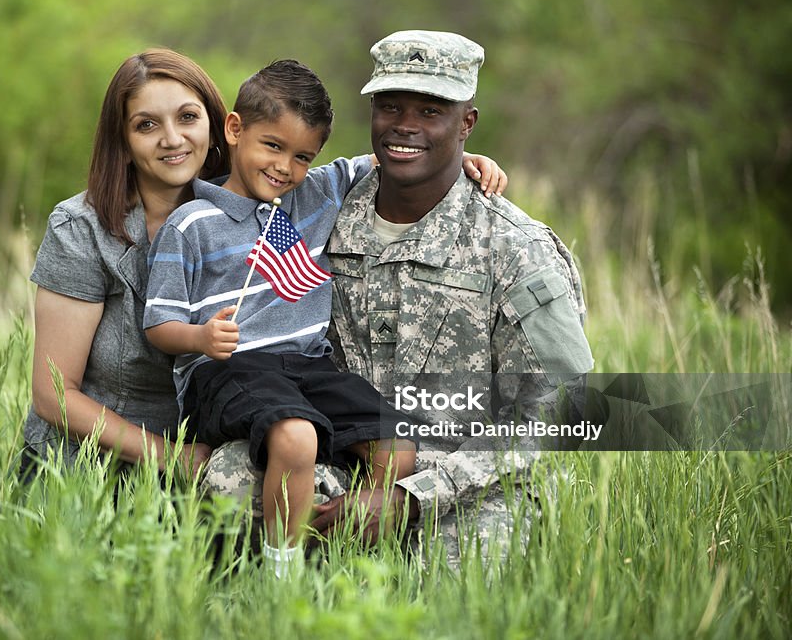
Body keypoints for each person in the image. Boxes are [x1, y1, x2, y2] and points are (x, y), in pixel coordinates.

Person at [20, 47, 507, 484]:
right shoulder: (84, 227)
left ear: (218, 124)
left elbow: (371, 164)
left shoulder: (263, 194)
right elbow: (52, 395)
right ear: (122, 138)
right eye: (146, 124)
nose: (172, 139)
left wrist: (456, 159)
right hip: (90, 468)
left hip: (215, 453)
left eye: (187, 117)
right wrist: (169, 457)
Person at [202, 30, 594, 568]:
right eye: (390, 106)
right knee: (230, 475)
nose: (405, 125)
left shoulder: (516, 247)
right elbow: (230, 192)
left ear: (467, 123)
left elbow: (562, 408)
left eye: (431, 110)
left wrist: (413, 498)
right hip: (347, 453)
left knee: (467, 568)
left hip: (466, 483)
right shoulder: (321, 211)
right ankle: (270, 601)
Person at [144, 60, 416, 574]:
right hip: (228, 372)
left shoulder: (313, 192)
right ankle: (282, 574)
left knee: (395, 445)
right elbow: (158, 326)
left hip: (308, 366)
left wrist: (470, 158)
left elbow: (388, 161)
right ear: (235, 129)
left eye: (302, 156)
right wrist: (201, 338)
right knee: (296, 438)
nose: (286, 168)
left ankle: (360, 555)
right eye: (273, 146)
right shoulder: (190, 224)